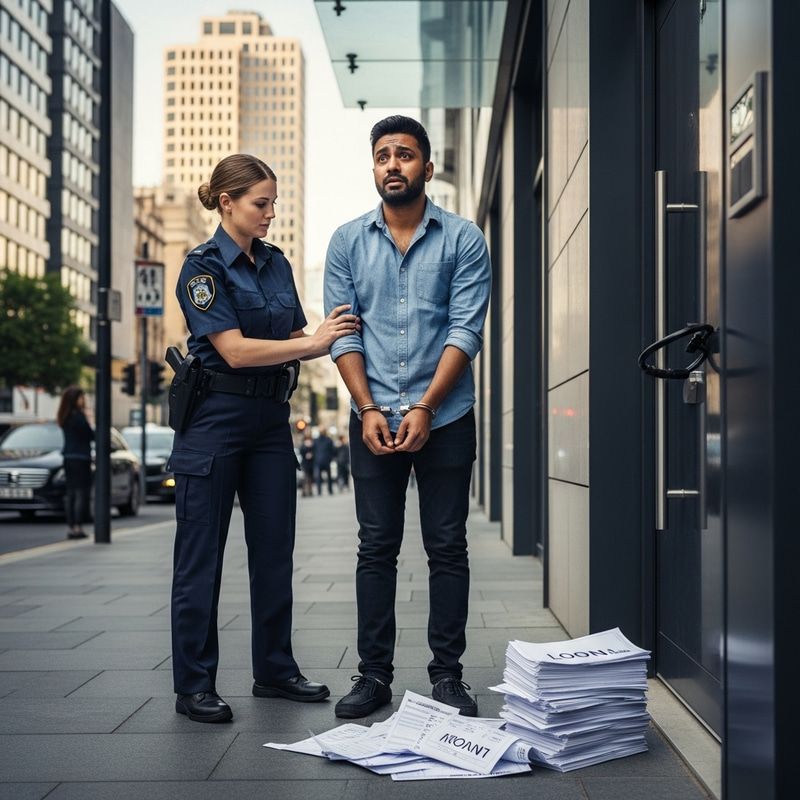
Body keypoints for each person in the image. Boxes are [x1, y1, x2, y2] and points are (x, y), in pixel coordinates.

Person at [169, 153, 360, 723]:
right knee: (200, 559)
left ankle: (275, 670)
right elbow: (232, 349)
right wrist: (313, 343)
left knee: (275, 554)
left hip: (271, 424)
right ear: (226, 203)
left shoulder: (275, 263)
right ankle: (194, 684)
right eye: (261, 203)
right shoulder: (201, 269)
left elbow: (297, 333)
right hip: (215, 421)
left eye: (274, 202)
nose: (271, 213)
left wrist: (337, 329)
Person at [323, 115, 491, 719]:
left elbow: (465, 330)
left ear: (428, 166)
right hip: (371, 417)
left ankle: (447, 675)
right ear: (374, 166)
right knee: (377, 547)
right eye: (383, 156)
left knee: (447, 546)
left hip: (445, 418)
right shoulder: (346, 242)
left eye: (405, 155)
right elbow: (344, 335)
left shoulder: (464, 239)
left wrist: (426, 405)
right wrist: (367, 407)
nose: (392, 165)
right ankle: (373, 676)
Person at [56, 386, 94, 540]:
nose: (83, 400)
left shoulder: (64, 417)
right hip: (81, 458)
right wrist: (90, 420)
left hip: (68, 457)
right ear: (74, 399)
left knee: (71, 493)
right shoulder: (79, 417)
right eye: (81, 397)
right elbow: (90, 435)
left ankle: (71, 527)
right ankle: (78, 528)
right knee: (80, 494)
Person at [312, 426, 335, 495]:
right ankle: (329, 490)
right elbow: (332, 450)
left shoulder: (316, 440)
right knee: (328, 476)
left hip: (319, 460)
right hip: (326, 460)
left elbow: (313, 450)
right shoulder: (328, 440)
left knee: (319, 477)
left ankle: (319, 491)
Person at [299, 433, 315, 497]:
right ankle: (304, 491)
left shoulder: (313, 444)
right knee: (305, 478)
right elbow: (301, 452)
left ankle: (310, 490)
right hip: (305, 463)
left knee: (310, 478)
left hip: (311, 463)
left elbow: (315, 451)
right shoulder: (303, 445)